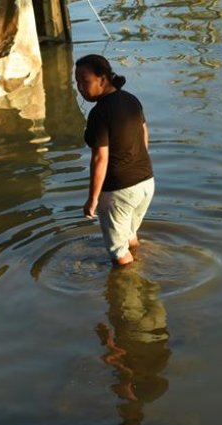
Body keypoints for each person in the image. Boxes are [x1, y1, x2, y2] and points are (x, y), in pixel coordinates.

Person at [75, 54, 155, 266]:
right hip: (146, 183)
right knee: (130, 236)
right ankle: (142, 263)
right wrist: (138, 165)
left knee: (119, 255)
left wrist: (92, 199)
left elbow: (100, 158)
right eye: (77, 82)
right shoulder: (131, 100)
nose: (80, 88)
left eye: (85, 81)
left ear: (102, 79)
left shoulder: (100, 113)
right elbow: (144, 135)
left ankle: (127, 290)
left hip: (118, 191)